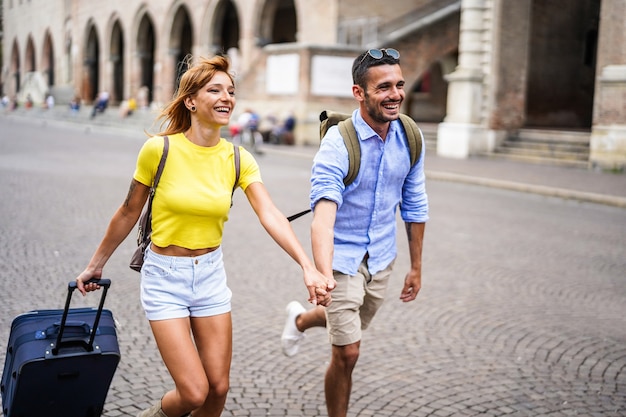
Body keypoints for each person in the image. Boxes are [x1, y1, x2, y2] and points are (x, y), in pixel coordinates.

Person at [75, 55, 335, 417]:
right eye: (214, 89)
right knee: (194, 392)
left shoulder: (238, 158)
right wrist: (95, 265)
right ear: (191, 101)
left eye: (230, 90)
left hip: (210, 275)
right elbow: (128, 211)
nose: (226, 97)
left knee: (218, 389)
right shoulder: (159, 150)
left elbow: (270, 213)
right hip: (165, 277)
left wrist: (307, 265)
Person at [280, 48, 429, 417]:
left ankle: (299, 320)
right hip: (342, 259)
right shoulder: (338, 145)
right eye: (383, 88)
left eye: (399, 85)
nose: (395, 94)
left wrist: (416, 267)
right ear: (359, 93)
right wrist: (323, 275)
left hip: (381, 257)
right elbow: (323, 217)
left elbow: (415, 204)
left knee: (348, 327)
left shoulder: (409, 137)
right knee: (348, 352)